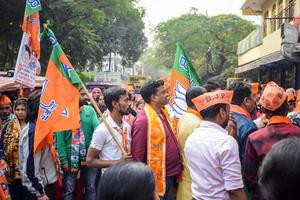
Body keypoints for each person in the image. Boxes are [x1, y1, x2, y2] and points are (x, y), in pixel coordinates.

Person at [185, 90, 246, 200]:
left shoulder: (191, 138)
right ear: (222, 112)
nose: (229, 115)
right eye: (228, 111)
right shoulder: (226, 142)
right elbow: (234, 190)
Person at [244, 81, 300, 200]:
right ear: (287, 108)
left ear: (263, 111)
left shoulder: (254, 138)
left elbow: (250, 178)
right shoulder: (298, 133)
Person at [131, 79, 182, 200]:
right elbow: (137, 156)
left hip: (171, 174)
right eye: (163, 92)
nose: (167, 94)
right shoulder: (143, 120)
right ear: (153, 97)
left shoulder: (163, 113)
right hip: (157, 178)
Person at [55, 88, 100, 200]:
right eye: (82, 94)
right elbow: (60, 140)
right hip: (70, 159)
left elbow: (98, 131)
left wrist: (94, 151)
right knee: (68, 190)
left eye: (85, 94)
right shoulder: (63, 113)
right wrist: (64, 160)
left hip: (90, 156)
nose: (86, 97)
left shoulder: (90, 110)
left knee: (90, 188)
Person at [19, 91, 58, 200]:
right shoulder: (33, 131)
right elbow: (29, 166)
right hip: (39, 190)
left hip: (45, 185)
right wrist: (39, 192)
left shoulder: (41, 128)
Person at [86, 87, 132, 171]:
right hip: (110, 180)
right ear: (115, 104)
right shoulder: (102, 130)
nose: (129, 103)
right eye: (126, 100)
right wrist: (117, 162)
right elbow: (89, 161)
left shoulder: (127, 127)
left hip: (127, 177)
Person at [176, 86, 206, 200]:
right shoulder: (196, 123)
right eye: (205, 97)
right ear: (196, 100)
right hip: (193, 185)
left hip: (187, 181)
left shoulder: (185, 117)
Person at [0, 98, 31, 199]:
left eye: (23, 109)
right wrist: (3, 160)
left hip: (30, 170)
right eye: (17, 109)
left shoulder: (32, 127)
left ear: (28, 110)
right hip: (13, 172)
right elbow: (1, 147)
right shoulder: (7, 128)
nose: (20, 112)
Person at [228, 81, 258, 164]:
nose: (255, 99)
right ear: (246, 101)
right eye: (253, 96)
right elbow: (248, 162)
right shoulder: (248, 126)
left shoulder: (220, 118)